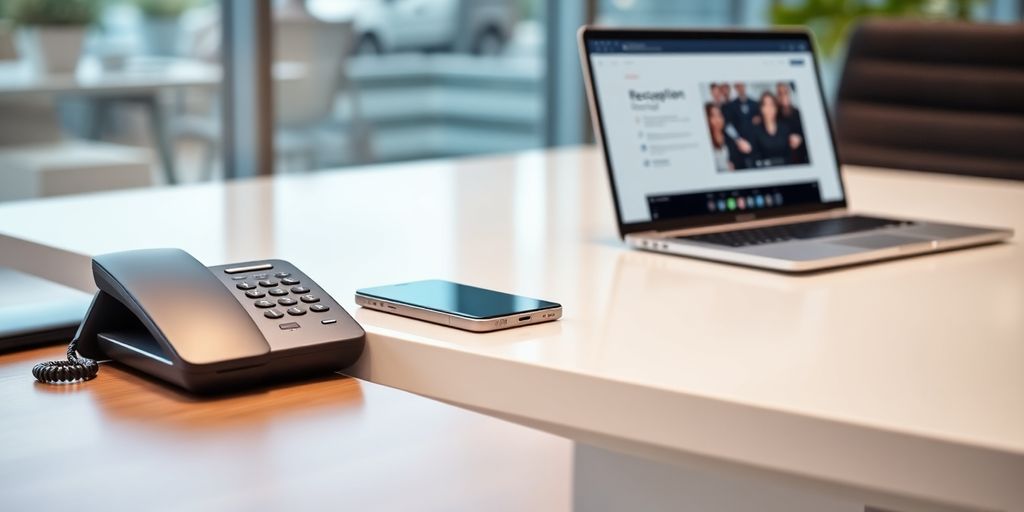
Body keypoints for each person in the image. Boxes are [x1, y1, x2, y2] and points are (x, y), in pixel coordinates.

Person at [750, 92, 803, 167]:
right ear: (761, 109)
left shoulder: (785, 128)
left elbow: (789, 156)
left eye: (771, 105)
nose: (769, 109)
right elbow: (755, 158)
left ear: (776, 108)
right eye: (765, 105)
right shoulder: (755, 130)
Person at [776, 82, 808, 164]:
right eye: (780, 93)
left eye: (786, 93)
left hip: (801, 157)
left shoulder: (799, 114)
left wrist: (800, 139)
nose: (783, 96)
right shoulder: (775, 115)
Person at [704, 103, 742, 172]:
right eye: (713, 116)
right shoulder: (705, 140)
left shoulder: (729, 137)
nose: (717, 119)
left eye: (719, 115)